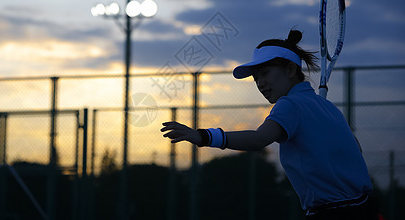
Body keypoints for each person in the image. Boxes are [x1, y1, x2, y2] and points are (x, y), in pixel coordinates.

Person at [161, 29, 378, 219]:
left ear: (291, 70)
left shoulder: (289, 105)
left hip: (334, 213)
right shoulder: (327, 108)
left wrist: (203, 137)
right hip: (363, 206)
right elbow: (355, 147)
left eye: (265, 73)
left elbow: (259, 139)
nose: (260, 83)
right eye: (256, 79)